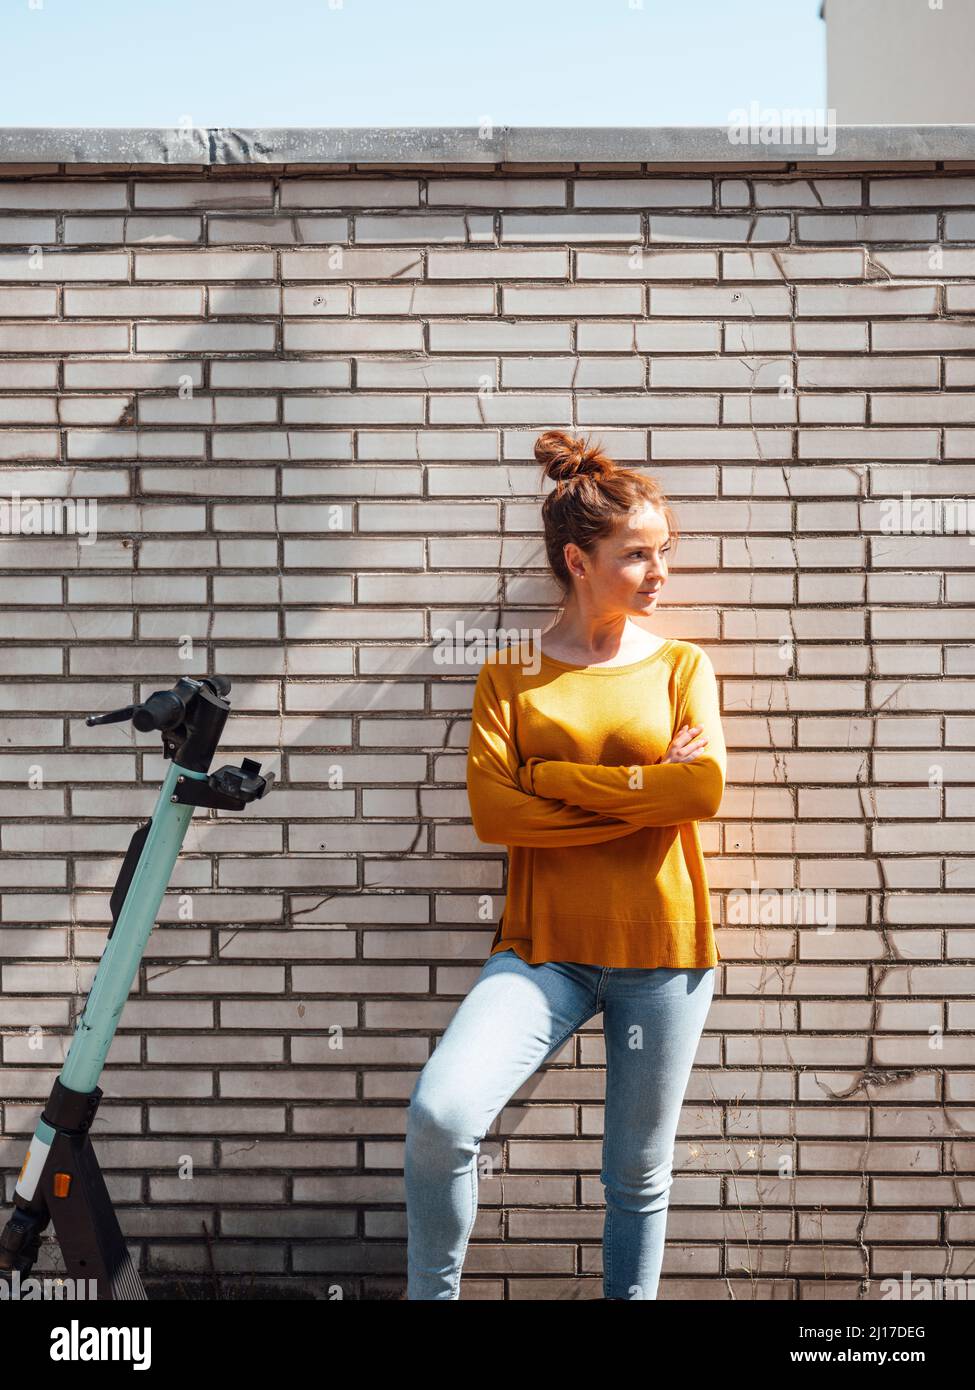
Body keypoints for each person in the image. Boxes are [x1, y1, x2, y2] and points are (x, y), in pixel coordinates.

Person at [404, 428, 726, 1300]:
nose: (660, 573)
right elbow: (493, 814)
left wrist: (554, 781)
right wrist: (634, 791)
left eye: (664, 553)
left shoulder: (679, 665)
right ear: (578, 560)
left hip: (662, 953)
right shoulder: (509, 671)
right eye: (638, 556)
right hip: (542, 952)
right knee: (440, 1117)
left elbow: (698, 794)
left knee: (635, 1179)